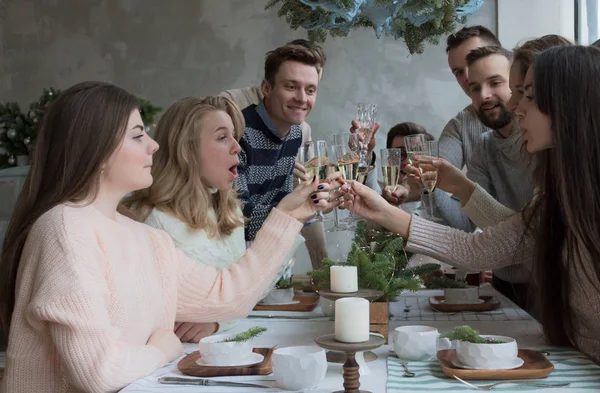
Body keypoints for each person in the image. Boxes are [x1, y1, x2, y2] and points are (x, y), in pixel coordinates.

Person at [0, 81, 342, 392]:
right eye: (138, 136)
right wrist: (160, 349)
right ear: (97, 151)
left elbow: (229, 295)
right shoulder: (65, 228)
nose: (154, 145)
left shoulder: (145, 238)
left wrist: (290, 213)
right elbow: (97, 374)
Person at [340, 45, 600, 364]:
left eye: (528, 96)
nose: (517, 107)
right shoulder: (557, 196)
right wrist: (383, 207)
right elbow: (476, 248)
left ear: (568, 106)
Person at [123, 96, 302, 342]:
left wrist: (218, 322)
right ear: (187, 151)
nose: (237, 147)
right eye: (222, 137)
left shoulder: (230, 211)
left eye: (234, 136)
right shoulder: (149, 224)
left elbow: (248, 291)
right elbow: (153, 318)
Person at [220, 40, 329, 270]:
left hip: (269, 262)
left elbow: (281, 203)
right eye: (291, 86)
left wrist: (303, 202)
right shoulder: (237, 132)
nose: (302, 98)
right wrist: (298, 210)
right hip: (229, 265)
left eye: (310, 90)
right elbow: (238, 220)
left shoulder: (296, 134)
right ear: (266, 89)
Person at [381, 122, 434, 205]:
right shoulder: (378, 193)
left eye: (415, 155)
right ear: (389, 159)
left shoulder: (445, 202)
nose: (408, 162)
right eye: (400, 154)